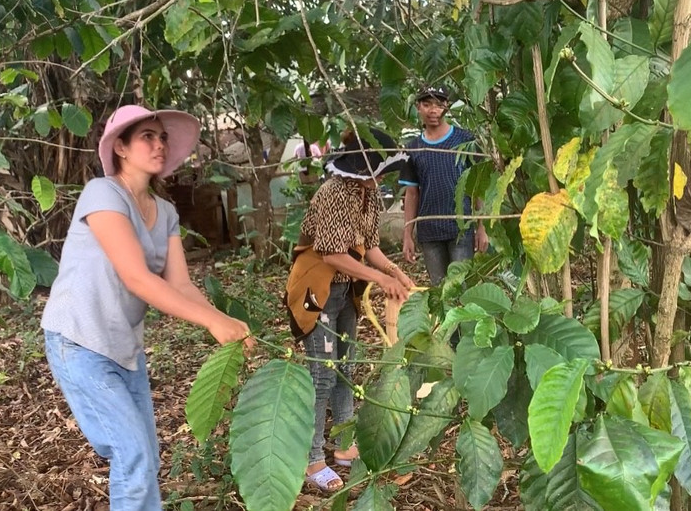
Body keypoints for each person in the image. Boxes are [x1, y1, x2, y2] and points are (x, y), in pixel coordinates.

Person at [41, 105, 254, 510]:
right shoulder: (102, 193)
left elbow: (181, 284)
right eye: (147, 137)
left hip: (124, 349)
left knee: (144, 455)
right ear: (120, 147)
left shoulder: (167, 212)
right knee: (133, 453)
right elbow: (137, 278)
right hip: (79, 340)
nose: (158, 144)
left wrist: (227, 321)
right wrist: (211, 321)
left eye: (162, 138)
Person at [284, 128, 415, 492]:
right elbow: (332, 254)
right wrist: (379, 277)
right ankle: (312, 460)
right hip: (316, 292)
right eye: (378, 170)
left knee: (345, 369)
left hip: (346, 293)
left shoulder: (367, 196)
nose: (382, 178)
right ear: (361, 168)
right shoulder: (333, 193)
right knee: (322, 374)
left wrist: (393, 271)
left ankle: (343, 447)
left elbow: (369, 246)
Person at [400, 85, 489, 285]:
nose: (433, 111)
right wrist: (407, 234)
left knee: (461, 287)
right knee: (439, 289)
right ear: (418, 107)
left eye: (439, 105)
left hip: (460, 230)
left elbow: (476, 186)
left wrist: (482, 227)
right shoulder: (413, 148)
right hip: (429, 231)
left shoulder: (465, 140)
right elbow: (412, 194)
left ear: (447, 107)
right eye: (427, 104)